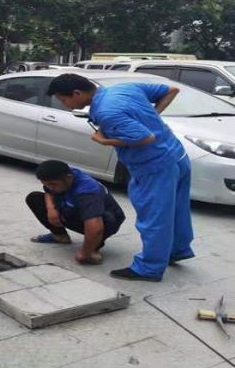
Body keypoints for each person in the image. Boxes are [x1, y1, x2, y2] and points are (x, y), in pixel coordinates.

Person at [47, 73, 195, 281]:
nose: (64, 105)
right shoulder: (124, 88)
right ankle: (177, 250)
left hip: (154, 165)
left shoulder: (108, 111)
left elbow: (145, 137)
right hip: (176, 155)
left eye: (64, 100)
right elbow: (171, 90)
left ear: (77, 93)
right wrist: (153, 116)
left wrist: (104, 141)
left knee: (153, 217)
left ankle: (149, 268)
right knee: (177, 209)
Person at [26, 160, 125, 265]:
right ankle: (60, 236)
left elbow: (96, 227)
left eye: (52, 184)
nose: (50, 187)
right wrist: (51, 209)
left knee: (99, 223)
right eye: (46, 184)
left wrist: (85, 253)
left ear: (69, 178)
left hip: (106, 220)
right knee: (34, 198)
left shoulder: (87, 192)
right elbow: (48, 192)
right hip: (75, 210)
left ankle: (93, 249)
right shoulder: (62, 176)